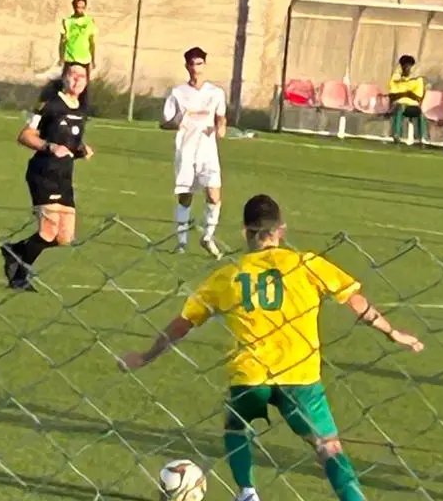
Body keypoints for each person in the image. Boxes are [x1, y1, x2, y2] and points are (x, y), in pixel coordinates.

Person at [117, 194, 425, 501]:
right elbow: (354, 300)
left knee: (236, 427)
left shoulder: (228, 275)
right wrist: (392, 331)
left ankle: (248, 493)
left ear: (245, 232)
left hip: (251, 375)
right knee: (328, 447)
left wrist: (146, 356)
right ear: (281, 230)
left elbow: (183, 323)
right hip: (300, 375)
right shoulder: (307, 264)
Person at [1, 62, 93, 291]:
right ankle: (19, 276)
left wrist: (81, 149)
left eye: (82, 76)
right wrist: (50, 147)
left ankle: (15, 250)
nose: (77, 80)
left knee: (64, 237)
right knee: (48, 231)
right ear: (63, 78)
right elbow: (25, 136)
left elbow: (68, 142)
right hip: (43, 173)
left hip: (64, 176)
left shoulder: (81, 109)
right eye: (73, 75)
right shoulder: (49, 104)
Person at [161, 46, 227, 258]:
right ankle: (181, 242)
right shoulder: (177, 93)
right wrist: (179, 121)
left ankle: (208, 236)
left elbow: (221, 117)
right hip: (186, 150)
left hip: (207, 151)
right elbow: (164, 123)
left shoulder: (216, 93)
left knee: (214, 193)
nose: (196, 68)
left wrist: (221, 126)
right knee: (185, 196)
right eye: (192, 64)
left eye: (199, 64)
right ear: (186, 66)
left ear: (204, 65)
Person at [58, 0, 97, 109]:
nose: (80, 9)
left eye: (82, 7)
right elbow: (62, 41)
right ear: (74, 7)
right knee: (66, 84)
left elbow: (92, 41)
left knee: (83, 85)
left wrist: (93, 59)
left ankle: (82, 110)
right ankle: (63, 108)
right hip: (70, 57)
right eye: (78, 7)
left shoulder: (89, 21)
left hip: (85, 58)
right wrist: (61, 57)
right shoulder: (67, 21)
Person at [387, 54, 426, 145]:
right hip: (399, 105)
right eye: (404, 66)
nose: (406, 68)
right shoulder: (396, 78)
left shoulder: (418, 79)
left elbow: (418, 97)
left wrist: (402, 94)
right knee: (400, 107)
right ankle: (396, 135)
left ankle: (422, 138)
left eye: (409, 66)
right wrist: (406, 93)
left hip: (413, 106)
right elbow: (392, 96)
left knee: (421, 113)